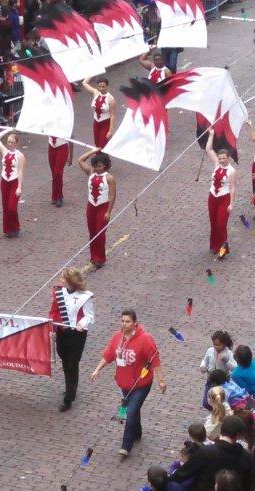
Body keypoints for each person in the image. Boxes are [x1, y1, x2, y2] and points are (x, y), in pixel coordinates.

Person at [90, 309, 165, 458]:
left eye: (128, 321)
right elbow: (109, 355)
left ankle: (126, 446)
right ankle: (137, 432)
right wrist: (97, 369)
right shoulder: (117, 337)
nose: (124, 324)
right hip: (124, 383)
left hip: (141, 384)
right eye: (122, 321)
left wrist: (161, 381)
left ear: (135, 323)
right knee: (134, 410)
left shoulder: (145, 339)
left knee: (130, 412)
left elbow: (155, 360)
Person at [49, 267, 94, 412]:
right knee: (64, 358)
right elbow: (54, 311)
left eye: (63, 278)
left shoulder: (85, 296)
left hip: (77, 334)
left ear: (69, 281)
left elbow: (90, 316)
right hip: (63, 332)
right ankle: (70, 384)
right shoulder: (58, 292)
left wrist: (82, 324)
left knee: (72, 363)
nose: (60, 280)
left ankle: (69, 397)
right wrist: (53, 325)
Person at [77, 150, 116, 269]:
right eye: (95, 166)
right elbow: (80, 160)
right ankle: (93, 257)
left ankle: (100, 258)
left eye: (100, 166)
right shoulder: (90, 172)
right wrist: (93, 151)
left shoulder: (110, 178)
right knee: (92, 232)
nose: (97, 168)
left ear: (105, 165)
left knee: (100, 233)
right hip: (91, 206)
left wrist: (109, 211)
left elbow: (112, 195)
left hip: (102, 207)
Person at [205, 134, 236, 258]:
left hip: (224, 198)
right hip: (212, 197)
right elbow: (208, 149)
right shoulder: (216, 164)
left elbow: (233, 187)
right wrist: (211, 135)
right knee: (213, 222)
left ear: (228, 158)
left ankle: (223, 249)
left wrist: (231, 203)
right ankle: (214, 245)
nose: (222, 160)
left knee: (221, 224)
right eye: (220, 158)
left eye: (224, 158)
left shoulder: (232, 171)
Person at [0, 129, 24, 238]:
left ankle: (16, 226)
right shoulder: (4, 151)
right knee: (5, 206)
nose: (10, 144)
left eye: (12, 142)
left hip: (14, 182)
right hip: (4, 182)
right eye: (8, 142)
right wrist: (8, 130)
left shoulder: (20, 156)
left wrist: (19, 187)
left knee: (12, 207)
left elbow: (20, 171)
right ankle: (8, 230)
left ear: (16, 143)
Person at [82, 76, 116, 148]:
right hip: (96, 123)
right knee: (97, 143)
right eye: (99, 86)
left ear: (107, 86)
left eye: (103, 86)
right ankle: (99, 158)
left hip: (105, 123)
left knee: (103, 145)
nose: (101, 88)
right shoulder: (96, 92)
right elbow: (84, 83)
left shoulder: (111, 99)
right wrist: (92, 73)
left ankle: (103, 158)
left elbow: (113, 115)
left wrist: (110, 131)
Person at [48, 136, 70, 207]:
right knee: (54, 173)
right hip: (51, 146)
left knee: (58, 173)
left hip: (62, 147)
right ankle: (54, 195)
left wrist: (71, 155)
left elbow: (71, 137)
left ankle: (59, 197)